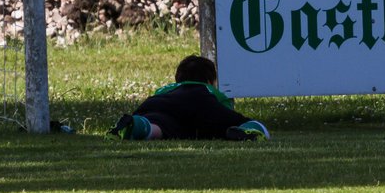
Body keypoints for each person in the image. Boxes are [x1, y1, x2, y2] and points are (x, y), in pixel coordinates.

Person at [108, 54, 270, 141]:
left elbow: (157, 98)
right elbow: (224, 108)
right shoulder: (205, 90)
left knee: (157, 128)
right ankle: (244, 131)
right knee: (246, 123)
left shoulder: (168, 89)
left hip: (157, 105)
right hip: (200, 105)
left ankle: (135, 125)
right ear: (209, 81)